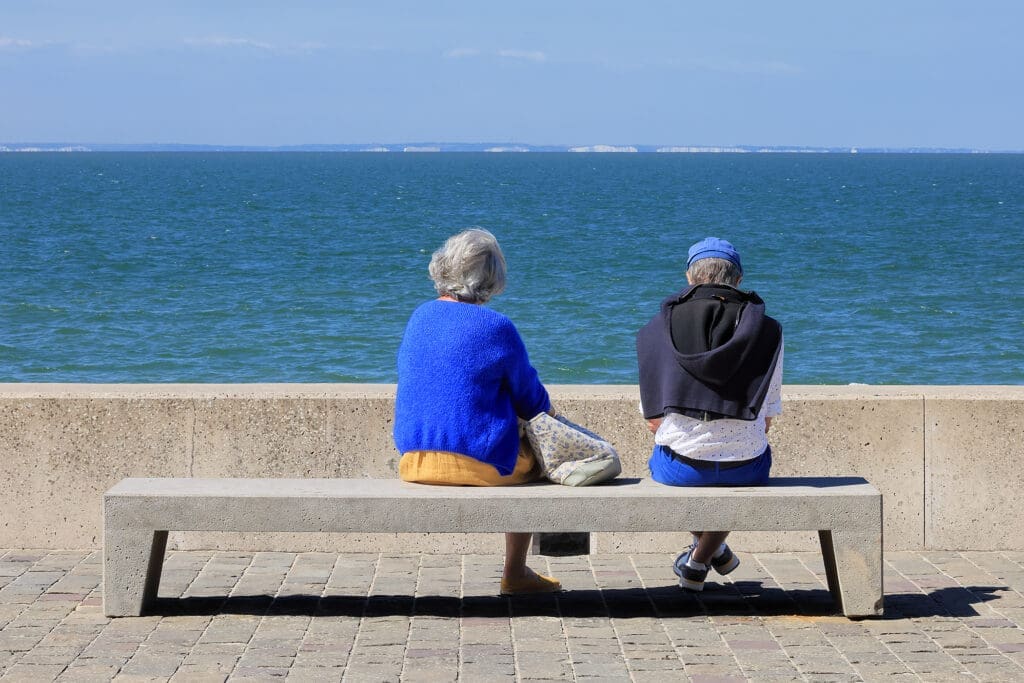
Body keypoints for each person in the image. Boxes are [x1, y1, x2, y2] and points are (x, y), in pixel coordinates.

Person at [393, 228, 561, 595]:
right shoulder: (496, 327)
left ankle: (517, 572)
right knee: (536, 462)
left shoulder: (419, 317)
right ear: (492, 277)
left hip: (415, 461)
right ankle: (515, 572)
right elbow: (533, 402)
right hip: (479, 463)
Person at [636, 237, 783, 592]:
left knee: (661, 463)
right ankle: (706, 556)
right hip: (747, 468)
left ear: (689, 277)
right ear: (738, 279)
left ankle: (701, 556)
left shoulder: (659, 327)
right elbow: (767, 417)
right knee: (735, 468)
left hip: (680, 469)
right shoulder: (768, 330)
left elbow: (652, 418)